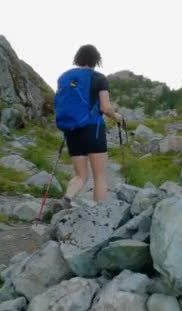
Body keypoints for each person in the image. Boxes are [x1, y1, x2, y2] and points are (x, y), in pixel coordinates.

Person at [54, 44, 122, 207]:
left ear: (78, 58)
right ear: (96, 60)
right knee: (99, 176)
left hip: (72, 130)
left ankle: (67, 199)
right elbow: (105, 108)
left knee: (80, 175)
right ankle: (99, 215)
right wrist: (117, 116)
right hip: (93, 130)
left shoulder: (65, 77)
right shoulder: (99, 78)